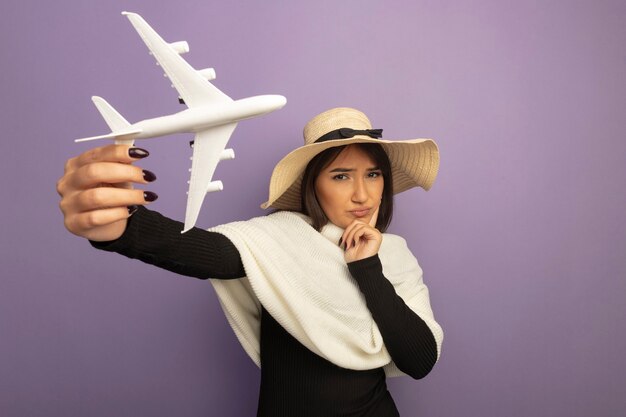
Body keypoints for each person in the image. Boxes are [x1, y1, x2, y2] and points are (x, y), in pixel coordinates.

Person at [57, 107, 443, 416]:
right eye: (341, 176)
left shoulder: (394, 254)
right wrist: (122, 224)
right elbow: (205, 251)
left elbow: (419, 360)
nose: (362, 194)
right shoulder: (279, 239)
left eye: (373, 174)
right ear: (313, 187)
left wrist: (367, 267)